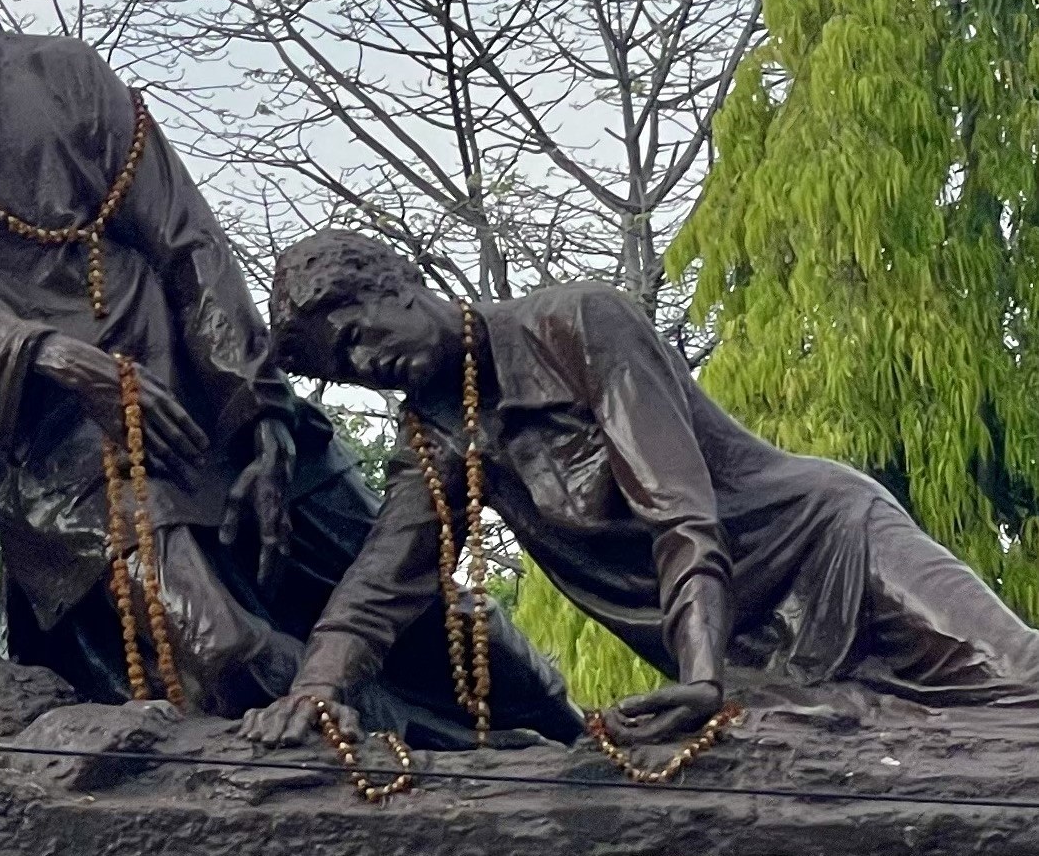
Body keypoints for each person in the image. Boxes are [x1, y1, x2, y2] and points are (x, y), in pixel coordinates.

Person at [0, 0, 570, 739]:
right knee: (226, 653)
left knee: (433, 606)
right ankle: (468, 766)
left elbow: (187, 239)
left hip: (201, 392)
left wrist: (258, 413)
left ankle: (580, 740)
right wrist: (57, 357)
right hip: (61, 446)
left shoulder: (65, 70)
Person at [246, 230, 1039, 752]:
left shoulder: (580, 323)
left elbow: (678, 509)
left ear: (397, 286)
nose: (366, 367)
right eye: (344, 370)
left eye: (355, 338)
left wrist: (700, 674)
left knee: (1020, 682)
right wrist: (316, 692)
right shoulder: (438, 435)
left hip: (828, 544)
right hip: (738, 648)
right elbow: (380, 586)